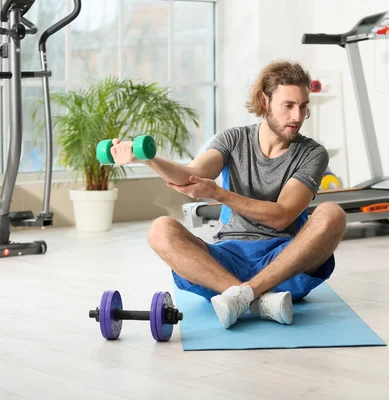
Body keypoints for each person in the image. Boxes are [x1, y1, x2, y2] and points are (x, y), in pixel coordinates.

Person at [110, 60, 347, 329]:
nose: (297, 116)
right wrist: (147, 158)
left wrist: (220, 194)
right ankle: (258, 301)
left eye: (303, 106)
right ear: (265, 101)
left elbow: (281, 217)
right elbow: (191, 174)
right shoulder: (234, 139)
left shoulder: (313, 154)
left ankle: (242, 295)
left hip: (283, 263)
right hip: (225, 262)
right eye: (288, 105)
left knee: (332, 214)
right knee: (159, 230)